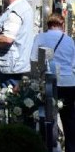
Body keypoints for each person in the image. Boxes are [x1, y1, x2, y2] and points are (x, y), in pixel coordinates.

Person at [32, 12, 75, 152]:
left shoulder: (40, 37)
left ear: (48, 24)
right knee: (69, 120)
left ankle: (49, 146)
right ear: (62, 24)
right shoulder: (69, 40)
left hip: (48, 82)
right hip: (68, 82)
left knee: (47, 116)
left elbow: (33, 59)